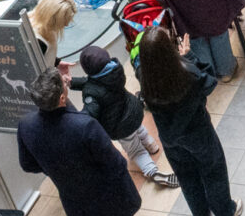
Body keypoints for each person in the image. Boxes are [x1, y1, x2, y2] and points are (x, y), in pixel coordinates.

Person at [16, 68, 170, 216]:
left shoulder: (26, 126)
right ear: (62, 98)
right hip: (108, 197)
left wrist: (57, 170)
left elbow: (28, 164)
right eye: (64, 84)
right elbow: (115, 163)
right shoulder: (84, 126)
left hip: (74, 201)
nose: (67, 84)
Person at [134, 28, 242, 216]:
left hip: (169, 138)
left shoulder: (143, 75)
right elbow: (209, 83)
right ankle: (225, 215)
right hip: (197, 132)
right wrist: (189, 56)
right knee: (213, 170)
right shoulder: (186, 71)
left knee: (186, 176)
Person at [72, 44, 178, 187]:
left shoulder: (92, 91)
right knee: (139, 129)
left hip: (120, 126)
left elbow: (91, 111)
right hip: (133, 110)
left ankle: (153, 172)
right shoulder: (115, 69)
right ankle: (152, 145)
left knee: (135, 150)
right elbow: (92, 82)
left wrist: (78, 119)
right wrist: (71, 82)